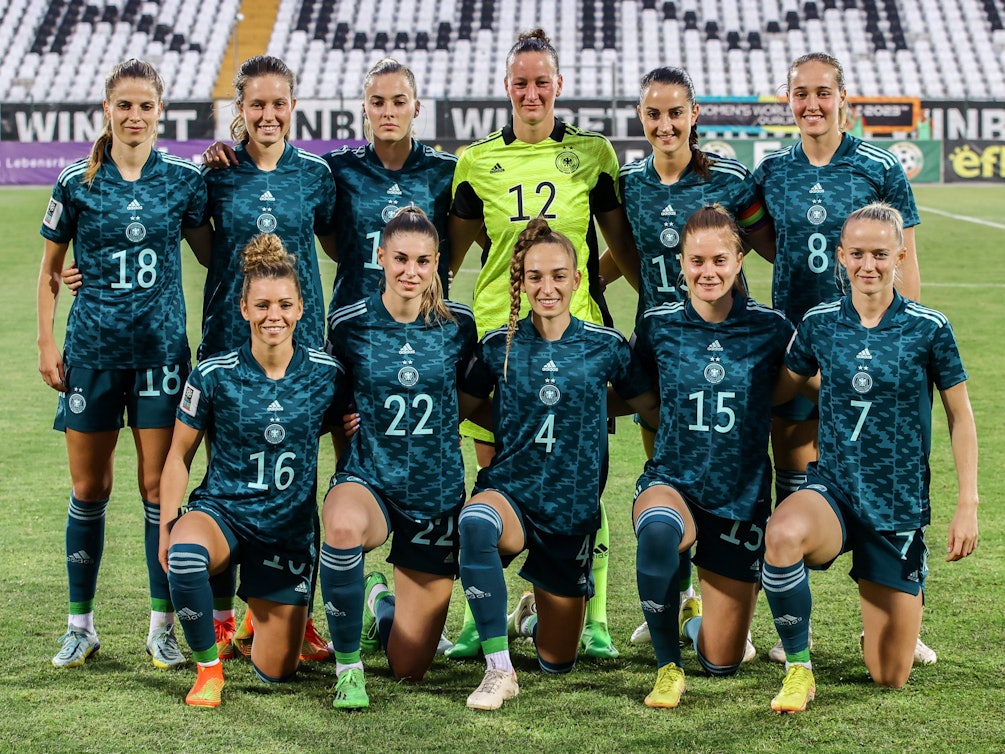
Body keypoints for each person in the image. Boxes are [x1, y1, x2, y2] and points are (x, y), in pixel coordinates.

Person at [448, 27, 640, 660]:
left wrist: (593, 286)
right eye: (521, 82)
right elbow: (457, 253)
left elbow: (618, 243)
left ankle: (597, 618)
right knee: (495, 471)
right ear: (507, 88)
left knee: (579, 475)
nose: (532, 92)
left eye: (542, 82)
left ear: (558, 86)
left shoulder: (593, 154)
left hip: (576, 335)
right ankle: (484, 620)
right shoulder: (476, 162)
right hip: (500, 339)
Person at [764, 203, 978, 714]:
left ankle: (891, 610)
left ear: (899, 256)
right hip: (833, 489)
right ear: (840, 256)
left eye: (880, 254)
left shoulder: (929, 328)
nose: (868, 265)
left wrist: (967, 503)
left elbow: (961, 416)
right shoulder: (818, 324)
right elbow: (781, 390)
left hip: (896, 506)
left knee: (890, 676)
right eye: (857, 253)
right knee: (782, 533)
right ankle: (799, 668)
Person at [753, 52, 931, 664]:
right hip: (802, 351)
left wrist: (899, 353)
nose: (811, 104)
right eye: (799, 93)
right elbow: (765, 243)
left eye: (822, 92)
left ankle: (892, 608)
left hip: (872, 357)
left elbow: (903, 261)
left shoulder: (879, 165)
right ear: (787, 100)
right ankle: (791, 624)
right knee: (798, 477)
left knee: (882, 477)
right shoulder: (773, 171)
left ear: (843, 97)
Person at [36, 59, 207, 670]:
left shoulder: (185, 182)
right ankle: (80, 625)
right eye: (124, 105)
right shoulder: (75, 182)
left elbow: (214, 251)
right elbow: (52, 272)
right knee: (90, 489)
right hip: (92, 357)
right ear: (106, 111)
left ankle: (161, 627)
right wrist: (46, 344)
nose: (135, 116)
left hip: (161, 358)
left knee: (157, 492)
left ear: (161, 113)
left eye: (146, 106)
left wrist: (223, 161)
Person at [457, 219, 658, 711]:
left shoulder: (606, 346)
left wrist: (585, 404)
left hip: (570, 512)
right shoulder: (496, 346)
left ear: (576, 280)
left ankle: (530, 617)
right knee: (476, 523)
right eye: (535, 276)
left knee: (558, 660)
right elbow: (458, 408)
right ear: (521, 282)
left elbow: (648, 405)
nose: (547, 287)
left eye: (558, 275)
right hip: (512, 494)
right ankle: (498, 671)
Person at [611, 66, 775, 650]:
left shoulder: (730, 177)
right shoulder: (629, 181)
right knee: (665, 464)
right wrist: (599, 284)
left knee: (732, 466)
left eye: (675, 112)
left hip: (729, 346)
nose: (665, 124)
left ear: (694, 114)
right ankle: (677, 598)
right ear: (641, 118)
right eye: (653, 114)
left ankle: (727, 600)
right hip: (661, 344)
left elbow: (768, 246)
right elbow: (625, 249)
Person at [159, 233, 345, 707]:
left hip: (286, 532)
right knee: (184, 556)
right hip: (222, 514)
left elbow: (339, 438)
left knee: (276, 673)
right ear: (243, 308)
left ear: (301, 308)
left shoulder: (328, 374)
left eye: (284, 304)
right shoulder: (213, 373)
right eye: (262, 306)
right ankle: (208, 671)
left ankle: (258, 620)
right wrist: (167, 526)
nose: (273, 316)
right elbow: (178, 456)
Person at [196, 55, 338, 661]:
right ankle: (225, 619)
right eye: (257, 104)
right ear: (240, 109)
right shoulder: (217, 176)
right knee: (225, 485)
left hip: (299, 349)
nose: (269, 114)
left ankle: (295, 617)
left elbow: (334, 243)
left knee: (297, 484)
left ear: (293, 105)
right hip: (230, 344)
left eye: (279, 103)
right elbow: (205, 253)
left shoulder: (315, 175)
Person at [630, 205, 793, 708]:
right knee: (658, 526)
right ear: (680, 263)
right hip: (672, 482)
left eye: (719, 260)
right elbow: (637, 397)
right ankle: (666, 667)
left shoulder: (770, 328)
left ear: (740, 260)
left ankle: (693, 620)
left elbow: (793, 394)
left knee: (722, 661)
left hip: (739, 500)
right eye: (696, 261)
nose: (708, 272)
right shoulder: (657, 325)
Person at [320, 207, 477, 710]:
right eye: (401, 259)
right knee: (342, 528)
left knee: (409, 668)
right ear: (380, 257)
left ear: (438, 264)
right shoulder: (349, 324)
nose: (411, 271)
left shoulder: (459, 325)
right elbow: (325, 397)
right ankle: (348, 670)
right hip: (371, 477)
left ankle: (378, 601)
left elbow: (471, 398)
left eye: (423, 261)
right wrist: (342, 417)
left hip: (436, 493)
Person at [323, 57, 457, 315]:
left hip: (424, 323)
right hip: (354, 325)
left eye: (399, 102)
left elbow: (457, 240)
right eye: (377, 102)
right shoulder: (337, 168)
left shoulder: (446, 171)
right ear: (364, 107)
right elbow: (333, 242)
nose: (388, 112)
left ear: (416, 107)